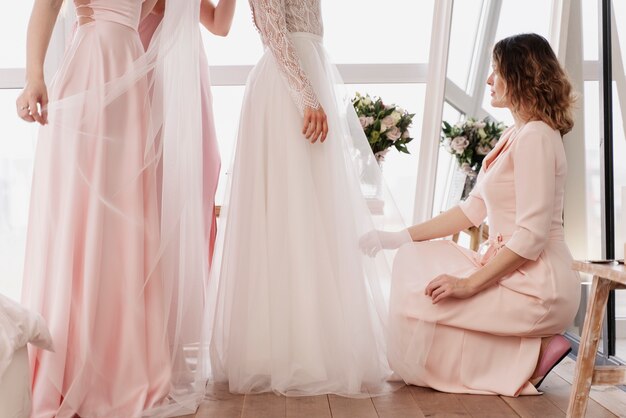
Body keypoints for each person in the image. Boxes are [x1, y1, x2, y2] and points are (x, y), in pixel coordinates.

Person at [207, 0, 409, 396]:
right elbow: (272, 28)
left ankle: (316, 344)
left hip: (310, 70)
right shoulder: (296, 82)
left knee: (316, 211)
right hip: (289, 84)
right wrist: (305, 95)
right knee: (288, 211)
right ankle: (277, 349)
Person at [17, 0, 208, 415]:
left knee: (127, 223)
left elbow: (175, 14)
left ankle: (122, 364)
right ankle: (70, 362)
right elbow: (47, 5)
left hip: (130, 74)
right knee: (77, 214)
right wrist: (34, 76)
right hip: (90, 68)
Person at [364, 33, 580, 396]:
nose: (489, 79)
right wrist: (397, 237)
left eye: (497, 70)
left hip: (539, 285)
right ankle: (531, 353)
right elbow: (470, 210)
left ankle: (535, 350)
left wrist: (468, 285)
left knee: (424, 303)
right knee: (417, 279)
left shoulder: (537, 137)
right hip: (513, 271)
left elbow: (531, 236)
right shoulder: (515, 134)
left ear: (520, 75)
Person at [139, 0, 235, 263]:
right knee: (155, 179)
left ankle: (196, 276)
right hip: (151, 70)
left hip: (189, 78)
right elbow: (157, 7)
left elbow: (219, 25)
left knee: (206, 164)